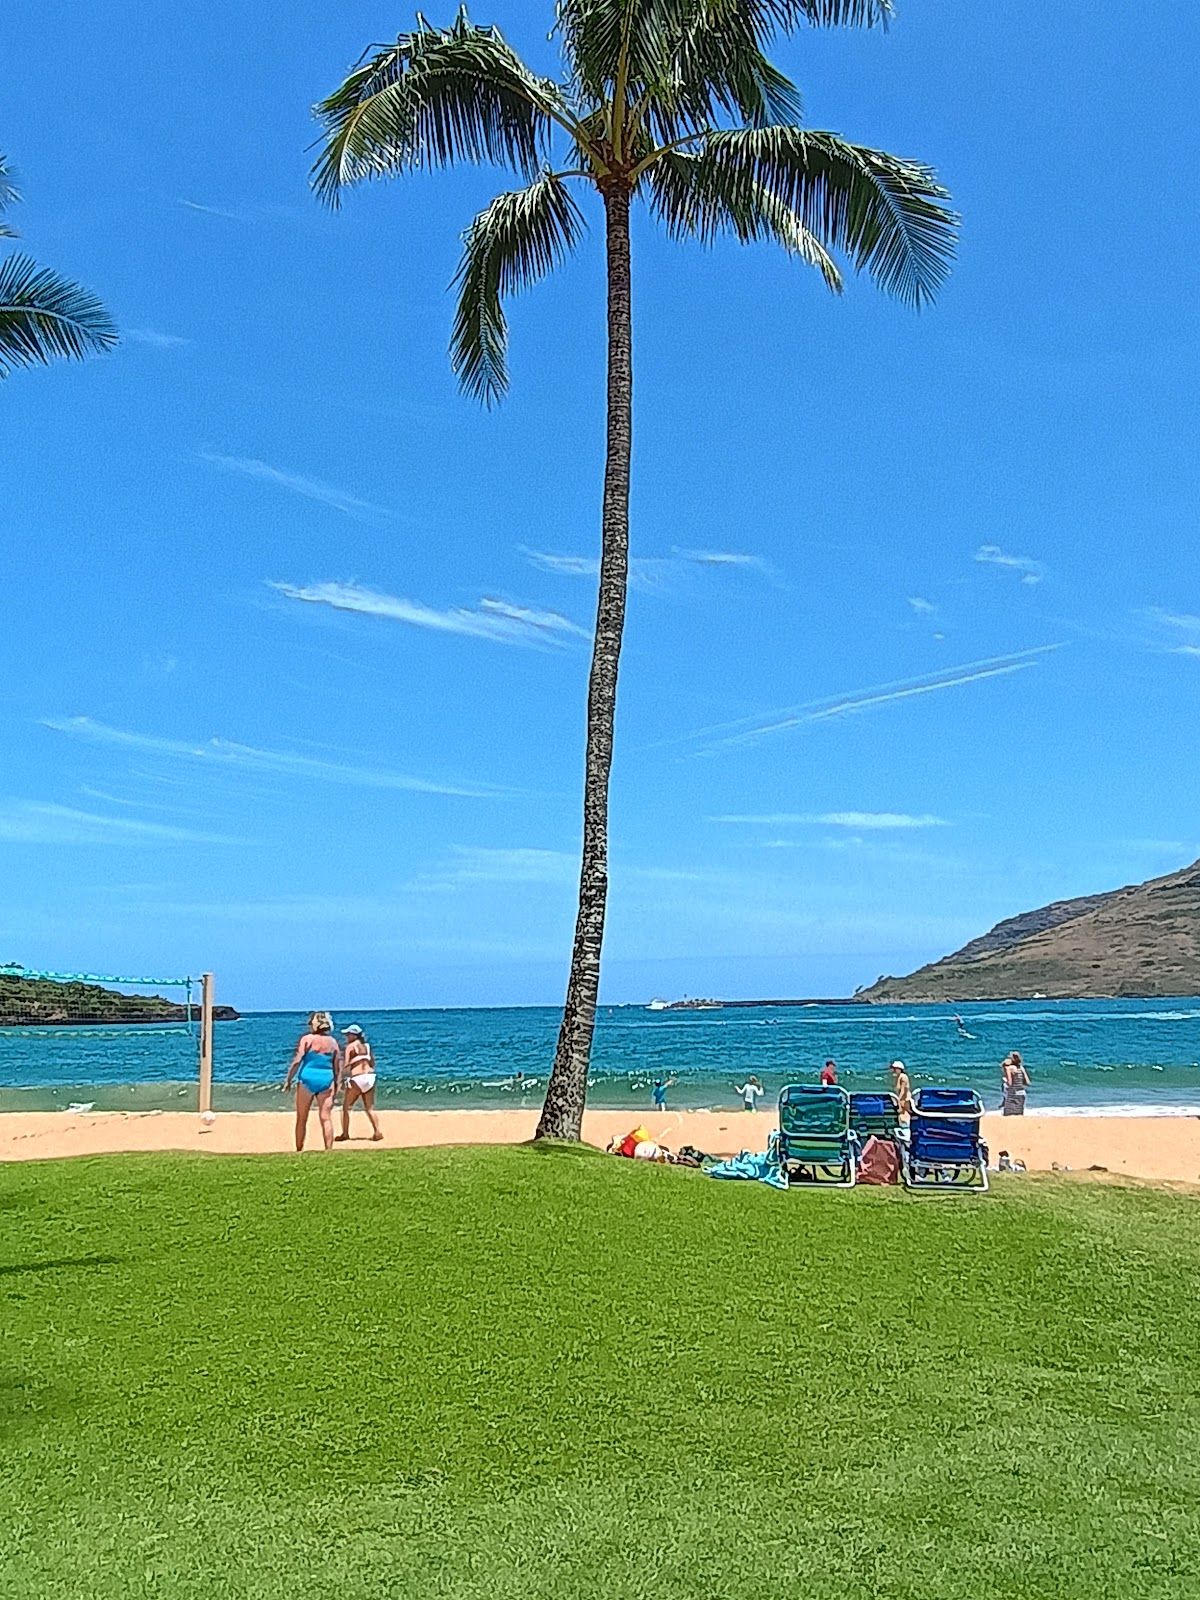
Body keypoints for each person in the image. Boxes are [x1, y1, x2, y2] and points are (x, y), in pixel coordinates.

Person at [283, 1011, 342, 1152]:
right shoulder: (332, 1042)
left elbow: (298, 1060)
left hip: (307, 1078)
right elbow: (337, 1066)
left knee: (302, 1118)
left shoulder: (307, 1039)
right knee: (326, 1117)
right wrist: (337, 1084)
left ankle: (299, 1149)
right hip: (326, 1079)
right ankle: (328, 1150)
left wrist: (289, 1079)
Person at [336, 1023, 383, 1143]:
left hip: (357, 1078)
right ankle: (377, 1131)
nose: (346, 1036)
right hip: (370, 1077)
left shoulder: (350, 1047)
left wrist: (341, 1079)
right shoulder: (367, 1046)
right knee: (369, 1108)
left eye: (348, 1034)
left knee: (346, 1107)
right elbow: (372, 1062)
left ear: (353, 1035)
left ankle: (345, 1133)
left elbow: (346, 1065)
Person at [1001, 1051, 1030, 1116]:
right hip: (1022, 1094)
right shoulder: (1021, 1068)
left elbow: (1010, 1083)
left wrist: (1005, 1080)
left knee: (1007, 1115)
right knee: (1019, 1116)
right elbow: (1027, 1082)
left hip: (1012, 1095)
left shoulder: (1009, 1068)